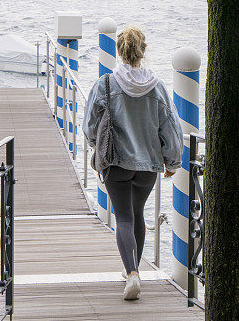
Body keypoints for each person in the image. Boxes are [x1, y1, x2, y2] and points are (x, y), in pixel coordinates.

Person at [82, 25, 184, 301]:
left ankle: (132, 274)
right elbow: (171, 127)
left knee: (123, 218)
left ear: (119, 51)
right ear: (143, 51)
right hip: (147, 165)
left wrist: (96, 146)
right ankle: (133, 270)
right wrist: (172, 161)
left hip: (116, 162)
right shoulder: (157, 87)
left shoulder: (106, 84)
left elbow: (90, 124)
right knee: (137, 214)